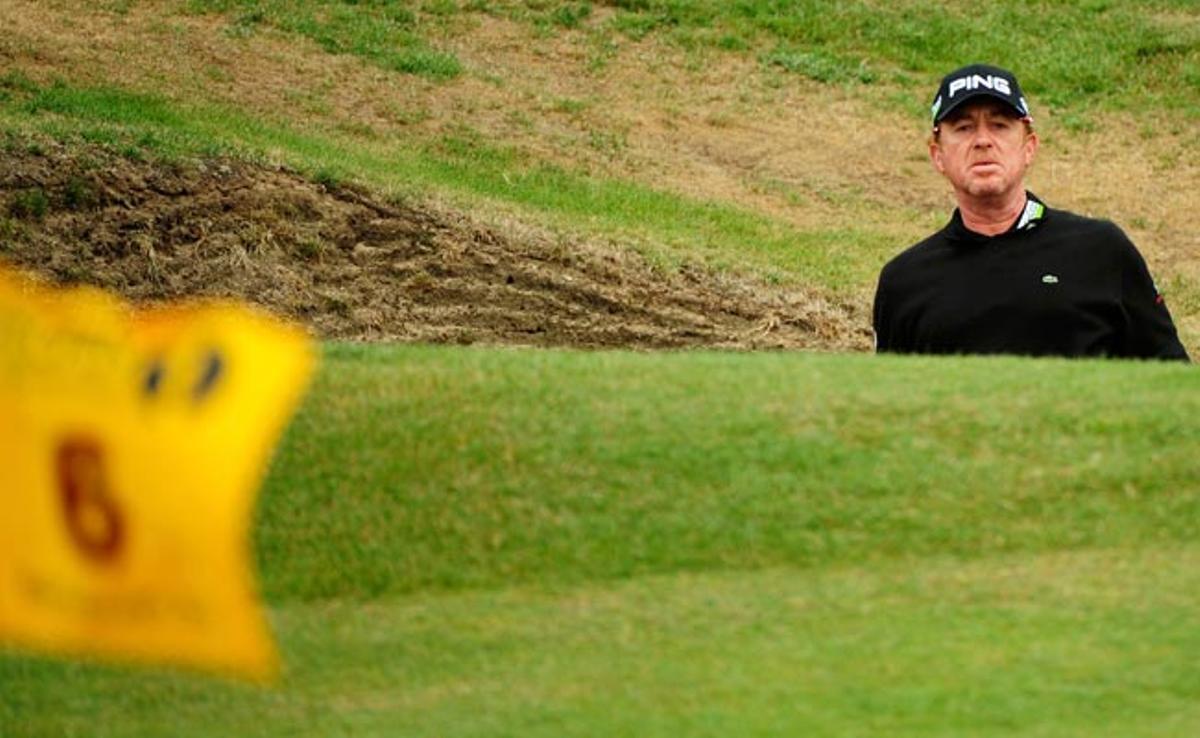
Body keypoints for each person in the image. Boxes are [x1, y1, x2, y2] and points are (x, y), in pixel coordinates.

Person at [872, 63, 1189, 361]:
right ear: (937, 155)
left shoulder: (1101, 250)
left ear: (1029, 147)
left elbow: (1170, 380)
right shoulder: (904, 281)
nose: (983, 141)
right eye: (963, 127)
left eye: (999, 125)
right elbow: (887, 406)